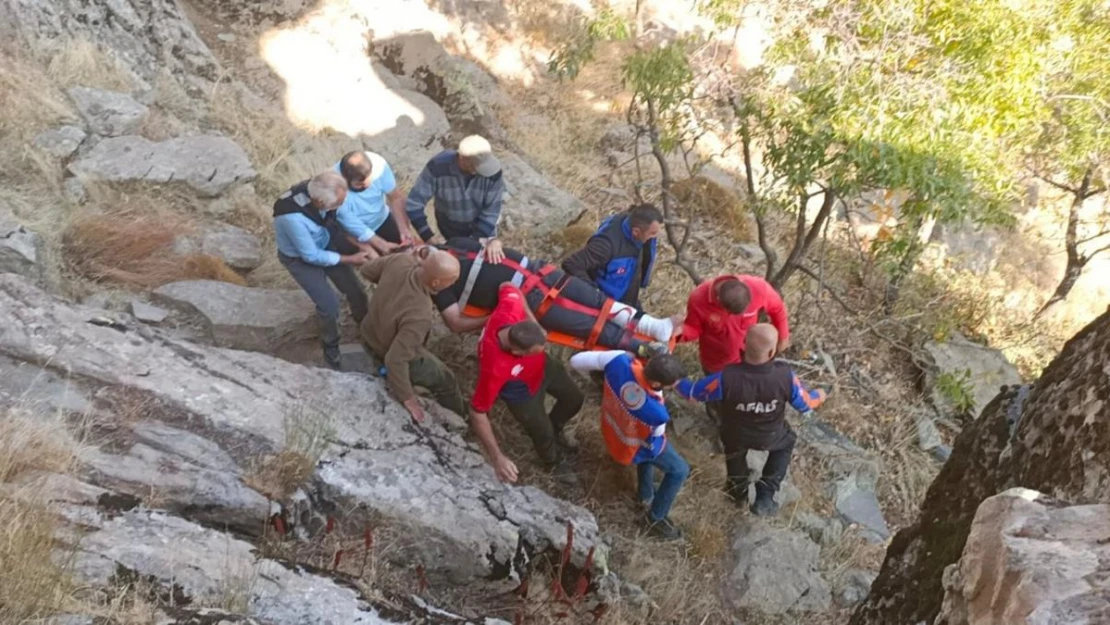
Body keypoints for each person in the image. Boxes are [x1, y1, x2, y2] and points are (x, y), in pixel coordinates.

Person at [677, 324, 826, 517]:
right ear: (772, 351)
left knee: (734, 452)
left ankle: (737, 494)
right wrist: (820, 395)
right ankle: (765, 495)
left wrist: (673, 378)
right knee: (786, 442)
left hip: (734, 434)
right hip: (770, 435)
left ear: (744, 344)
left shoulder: (727, 377)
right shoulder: (784, 376)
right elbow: (806, 404)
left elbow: (693, 392)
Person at [433, 238, 679, 355]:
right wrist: (495, 317)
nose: (421, 252)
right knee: (592, 326)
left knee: (599, 302)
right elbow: (455, 323)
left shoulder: (455, 243)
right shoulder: (439, 285)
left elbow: (487, 238)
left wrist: (493, 241)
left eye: (421, 250)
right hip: (530, 301)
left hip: (542, 272)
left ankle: (654, 326)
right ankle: (644, 349)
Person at [469, 283, 584, 486]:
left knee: (574, 398)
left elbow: (508, 286)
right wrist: (497, 458)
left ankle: (557, 428)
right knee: (542, 430)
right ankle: (553, 461)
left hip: (543, 368)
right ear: (517, 354)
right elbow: (478, 412)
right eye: (535, 350)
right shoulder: (495, 367)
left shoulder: (509, 311)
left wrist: (533, 322)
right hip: (520, 390)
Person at [569, 351, 690, 540]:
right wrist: (658, 395)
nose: (675, 386)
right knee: (679, 470)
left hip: (613, 429)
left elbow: (575, 361)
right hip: (635, 444)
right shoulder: (658, 413)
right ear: (657, 384)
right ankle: (655, 518)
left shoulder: (617, 361)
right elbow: (656, 439)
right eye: (672, 384)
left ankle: (645, 494)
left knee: (649, 454)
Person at [273, 171, 375, 369]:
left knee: (357, 292)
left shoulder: (324, 193)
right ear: (319, 203)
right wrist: (350, 259)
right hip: (299, 259)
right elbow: (310, 256)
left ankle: (367, 333)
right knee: (329, 306)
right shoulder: (291, 217)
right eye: (336, 204)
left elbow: (345, 216)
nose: (339, 207)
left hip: (324, 244)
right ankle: (332, 352)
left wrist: (371, 240)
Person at [359, 246, 465, 424]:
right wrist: (408, 398)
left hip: (369, 332)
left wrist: (389, 283)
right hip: (385, 349)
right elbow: (395, 359)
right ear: (436, 283)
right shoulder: (419, 314)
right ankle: (460, 418)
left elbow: (366, 270)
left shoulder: (400, 260)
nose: (454, 283)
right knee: (446, 379)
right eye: (452, 280)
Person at [405, 135, 505, 255]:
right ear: (463, 159)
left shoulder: (493, 174)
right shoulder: (437, 167)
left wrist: (471, 243)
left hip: (483, 232)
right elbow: (413, 204)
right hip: (449, 230)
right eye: (477, 165)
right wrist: (428, 237)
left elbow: (491, 213)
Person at [678, 274, 790, 375]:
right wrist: (677, 333)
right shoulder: (698, 299)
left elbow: (778, 309)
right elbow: (694, 329)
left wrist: (783, 337)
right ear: (719, 301)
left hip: (751, 360)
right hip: (718, 365)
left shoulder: (759, 288)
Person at [561, 204, 663, 308]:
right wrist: (596, 295)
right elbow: (571, 264)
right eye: (653, 233)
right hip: (608, 307)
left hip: (628, 298)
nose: (655, 236)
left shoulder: (638, 229)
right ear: (636, 232)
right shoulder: (605, 246)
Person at [335, 150, 414, 253]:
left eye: (368, 180)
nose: (366, 186)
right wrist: (381, 244)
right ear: (345, 179)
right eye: (359, 184)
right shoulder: (335, 185)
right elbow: (349, 222)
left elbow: (395, 198)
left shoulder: (379, 165)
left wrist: (404, 229)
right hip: (353, 233)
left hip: (381, 218)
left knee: (408, 251)